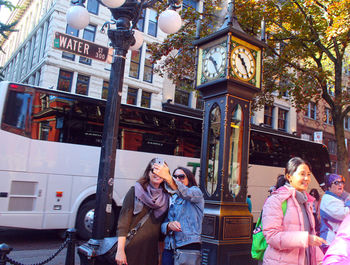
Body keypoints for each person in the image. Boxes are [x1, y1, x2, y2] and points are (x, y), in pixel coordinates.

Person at [261, 157, 325, 265]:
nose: (307, 178)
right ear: (289, 176)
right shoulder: (276, 200)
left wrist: (322, 260)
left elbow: (310, 240)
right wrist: (305, 239)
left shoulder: (307, 202)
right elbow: (272, 236)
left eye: (309, 174)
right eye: (302, 174)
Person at [115, 158, 169, 265]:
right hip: (131, 249)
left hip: (150, 252)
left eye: (161, 171)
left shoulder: (166, 198)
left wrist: (160, 255)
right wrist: (120, 251)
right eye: (154, 170)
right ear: (148, 173)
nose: (157, 174)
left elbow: (161, 233)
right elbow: (123, 224)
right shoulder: (135, 191)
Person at [153, 164, 204, 265]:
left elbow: (185, 193)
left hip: (188, 246)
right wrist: (168, 226)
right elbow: (162, 225)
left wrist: (168, 178)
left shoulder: (196, 192)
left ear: (189, 178)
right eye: (175, 177)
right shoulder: (172, 198)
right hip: (169, 247)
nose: (177, 179)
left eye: (181, 176)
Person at [319, 173, 350, 253]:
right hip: (330, 243)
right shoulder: (328, 199)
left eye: (341, 182)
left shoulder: (338, 198)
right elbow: (342, 215)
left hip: (338, 243)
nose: (340, 185)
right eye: (336, 183)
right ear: (329, 186)